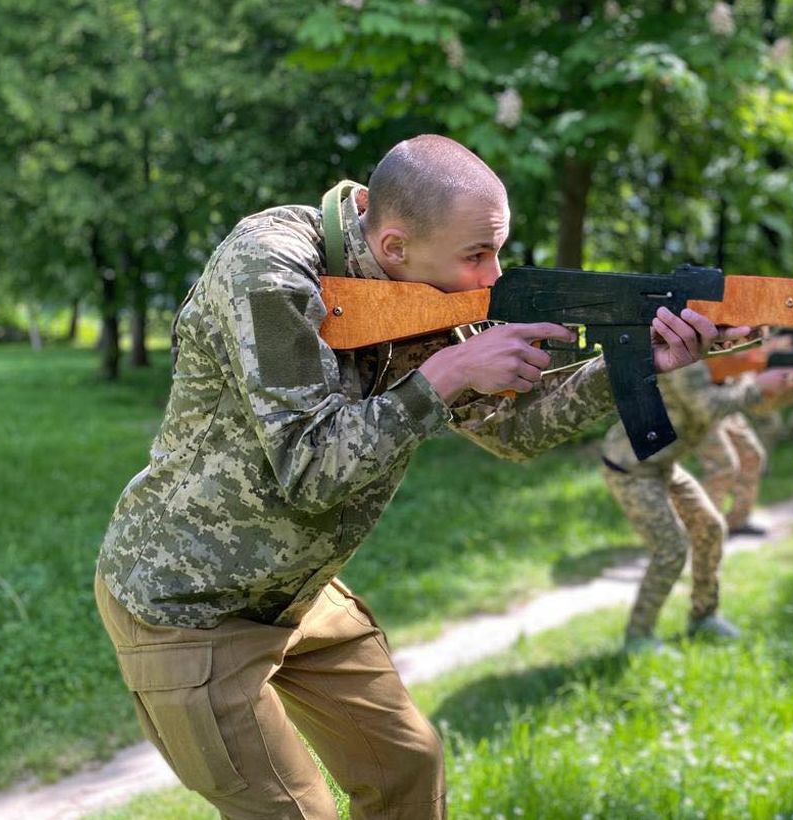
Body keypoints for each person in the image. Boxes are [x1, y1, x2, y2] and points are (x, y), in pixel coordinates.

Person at [93, 134, 734, 819]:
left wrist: (628, 365)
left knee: (409, 768)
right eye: (477, 255)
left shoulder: (421, 286)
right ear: (394, 245)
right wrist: (445, 377)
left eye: (497, 250)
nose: (493, 278)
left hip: (299, 594)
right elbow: (308, 469)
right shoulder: (272, 270)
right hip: (192, 604)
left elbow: (513, 432)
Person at [600, 362, 793, 653]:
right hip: (632, 467)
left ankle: (703, 616)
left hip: (663, 463)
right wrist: (757, 387)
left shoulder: (722, 355)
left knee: (711, 528)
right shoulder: (686, 355)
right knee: (670, 552)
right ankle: (639, 637)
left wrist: (787, 389)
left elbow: (749, 406)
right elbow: (706, 407)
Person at [694, 411, 768, 535]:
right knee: (723, 468)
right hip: (699, 407)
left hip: (726, 407)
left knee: (752, 457)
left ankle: (737, 522)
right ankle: (704, 528)